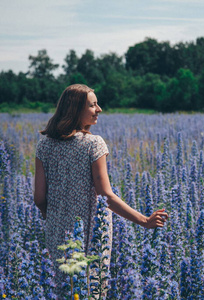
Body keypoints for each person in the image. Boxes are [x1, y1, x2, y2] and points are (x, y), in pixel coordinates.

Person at [33, 84, 168, 297]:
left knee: (62, 289)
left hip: (57, 231)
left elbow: (39, 198)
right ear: (76, 109)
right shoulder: (93, 144)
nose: (99, 109)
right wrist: (143, 220)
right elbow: (106, 195)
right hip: (91, 232)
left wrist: (56, 217)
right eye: (93, 105)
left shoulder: (44, 145)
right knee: (90, 289)